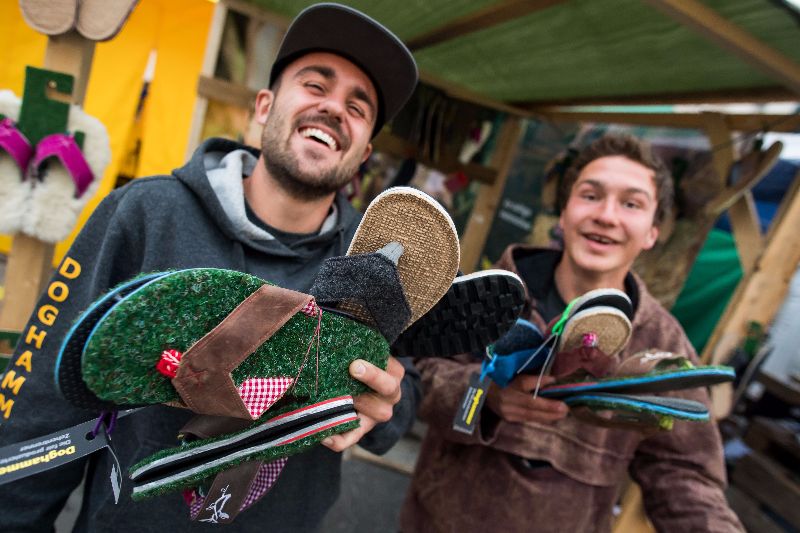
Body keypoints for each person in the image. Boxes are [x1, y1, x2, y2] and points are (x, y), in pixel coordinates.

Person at [0, 4, 420, 531]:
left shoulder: (377, 266)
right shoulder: (147, 213)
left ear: (364, 153)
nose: (335, 109)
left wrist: (389, 405)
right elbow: (46, 395)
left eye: (358, 108)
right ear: (263, 107)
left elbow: (408, 384)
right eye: (316, 85)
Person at [401, 133, 744, 532]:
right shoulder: (488, 295)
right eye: (591, 195)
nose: (607, 216)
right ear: (563, 213)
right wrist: (486, 398)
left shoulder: (662, 343)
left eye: (631, 204)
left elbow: (685, 475)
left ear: (653, 231)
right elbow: (417, 379)